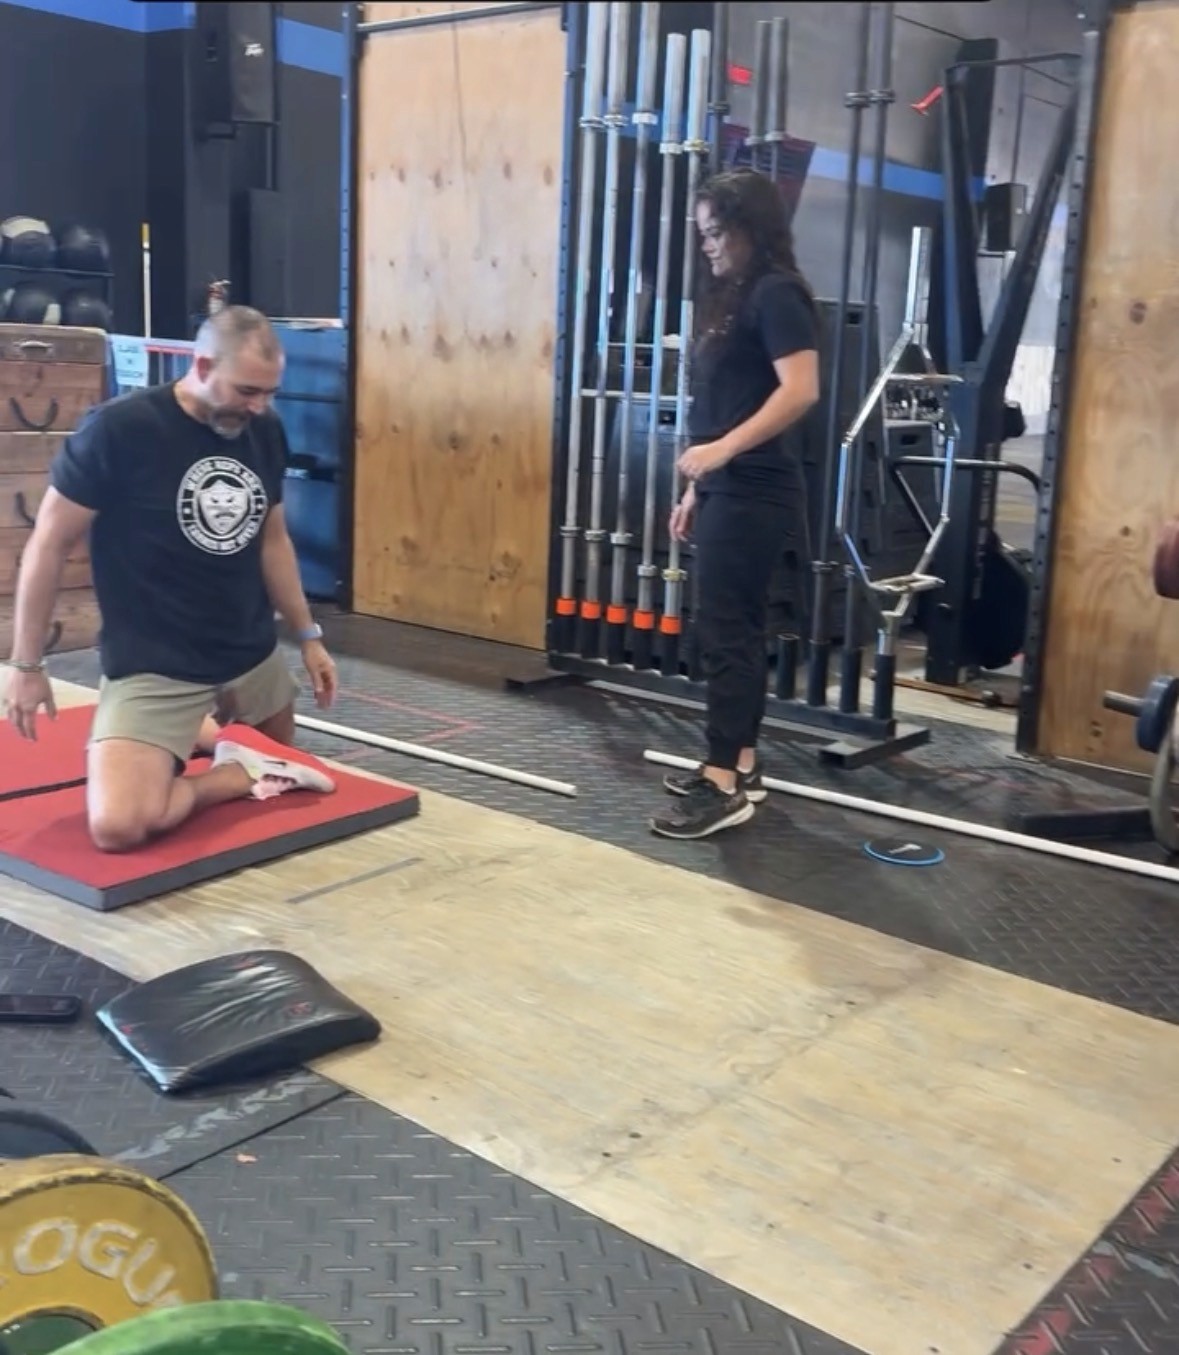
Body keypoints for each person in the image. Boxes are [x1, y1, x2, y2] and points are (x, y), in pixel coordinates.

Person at [1, 305, 341, 852]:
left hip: (247, 651)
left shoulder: (264, 431)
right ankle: (236, 772)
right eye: (247, 390)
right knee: (119, 827)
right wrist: (26, 664)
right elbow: (48, 542)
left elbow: (272, 538)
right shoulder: (120, 429)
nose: (259, 406)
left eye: (268, 393)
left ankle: (217, 744)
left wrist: (309, 637)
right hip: (156, 661)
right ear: (202, 366)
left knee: (286, 751)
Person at [650, 169, 821, 842]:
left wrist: (719, 455)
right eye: (702, 234)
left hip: (755, 490)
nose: (709, 246)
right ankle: (739, 763)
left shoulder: (778, 294)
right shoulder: (734, 296)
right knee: (730, 629)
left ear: (752, 228)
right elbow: (729, 402)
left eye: (717, 232)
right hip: (728, 485)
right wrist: (699, 484)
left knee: (726, 632)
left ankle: (723, 782)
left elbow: (799, 390)